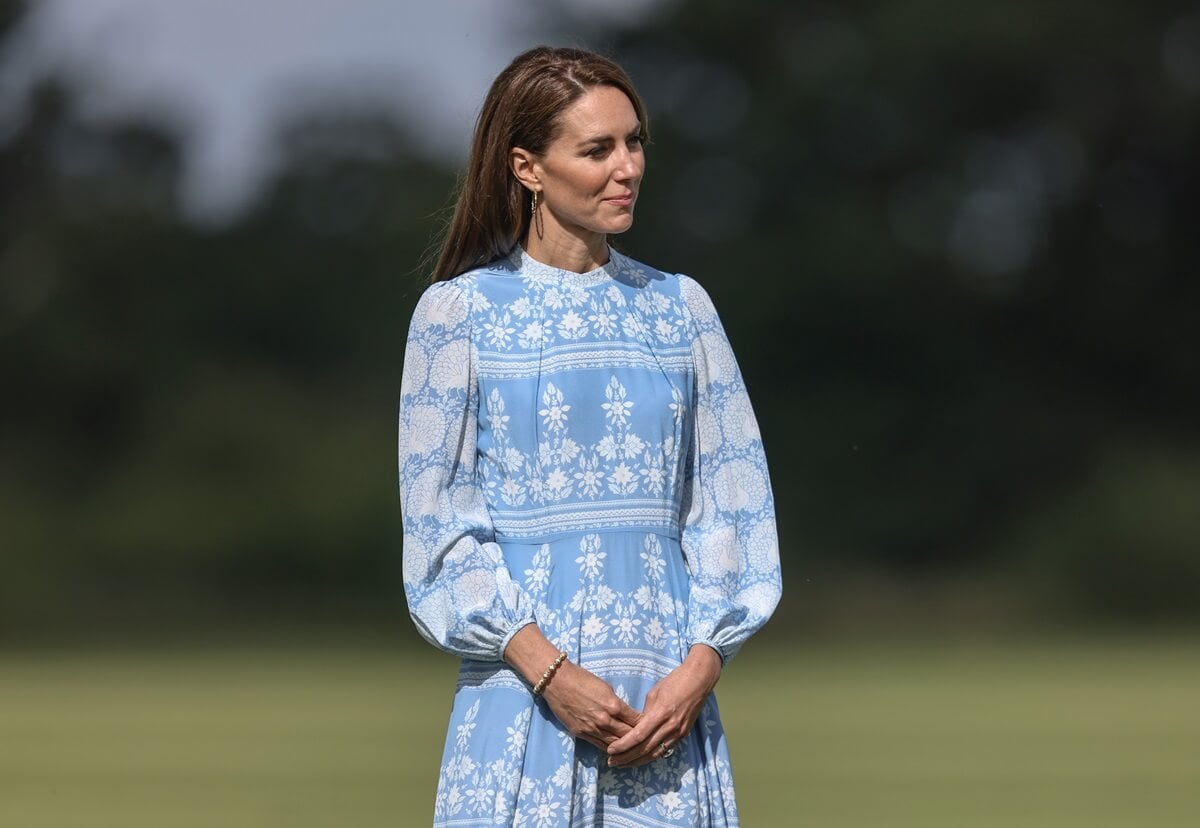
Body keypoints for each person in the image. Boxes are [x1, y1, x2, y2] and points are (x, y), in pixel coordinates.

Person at [397, 45, 782, 826]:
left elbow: (731, 510)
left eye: (634, 142)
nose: (628, 167)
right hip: (526, 713)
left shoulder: (683, 309)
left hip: (663, 723)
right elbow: (439, 534)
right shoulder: (457, 315)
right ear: (528, 167)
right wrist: (553, 676)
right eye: (598, 148)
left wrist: (701, 669)